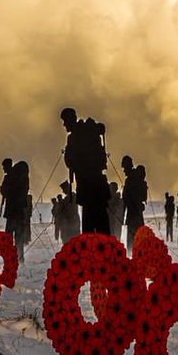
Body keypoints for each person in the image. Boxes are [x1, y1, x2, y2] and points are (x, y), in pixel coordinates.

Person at [61, 107, 110, 235]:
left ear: (70, 119)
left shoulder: (74, 137)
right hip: (97, 185)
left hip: (87, 186)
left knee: (89, 228)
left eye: (65, 121)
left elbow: (69, 161)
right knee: (102, 225)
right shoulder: (90, 131)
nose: (64, 125)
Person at [4, 160, 31, 261]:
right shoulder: (23, 178)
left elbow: (5, 192)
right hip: (20, 211)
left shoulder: (9, 178)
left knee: (9, 237)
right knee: (19, 237)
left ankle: (9, 257)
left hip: (11, 211)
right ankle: (20, 257)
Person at [121, 157, 148, 252]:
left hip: (132, 214)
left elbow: (125, 200)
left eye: (124, 168)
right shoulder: (137, 179)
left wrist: (122, 217)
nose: (124, 171)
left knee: (131, 241)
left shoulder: (129, 181)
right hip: (138, 214)